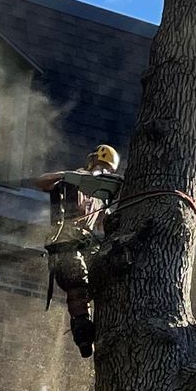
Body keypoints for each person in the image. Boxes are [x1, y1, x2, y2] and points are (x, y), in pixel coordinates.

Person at [31, 144, 124, 358]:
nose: (104, 173)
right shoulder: (75, 180)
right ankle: (82, 330)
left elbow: (102, 224)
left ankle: (98, 325)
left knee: (104, 273)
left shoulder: (102, 193)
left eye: (107, 170)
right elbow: (42, 182)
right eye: (102, 168)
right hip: (66, 240)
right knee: (76, 279)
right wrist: (65, 176)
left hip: (89, 243)